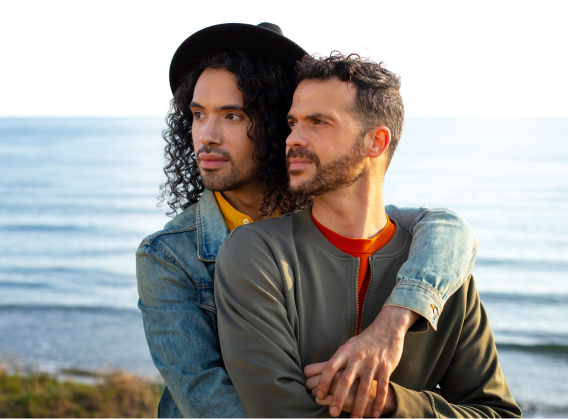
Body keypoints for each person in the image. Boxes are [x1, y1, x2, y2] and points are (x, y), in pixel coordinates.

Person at [136, 23, 479, 419]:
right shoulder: (168, 255)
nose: (206, 136)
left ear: (278, 124)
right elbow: (207, 399)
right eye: (198, 115)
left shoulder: (326, 214)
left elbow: (445, 229)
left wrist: (393, 322)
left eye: (232, 115)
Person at [214, 53, 521, 418]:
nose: (293, 138)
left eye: (318, 122)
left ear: (375, 141)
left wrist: (394, 402)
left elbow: (498, 413)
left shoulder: (441, 273)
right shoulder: (255, 254)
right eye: (293, 123)